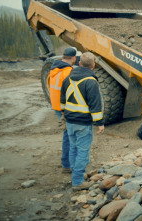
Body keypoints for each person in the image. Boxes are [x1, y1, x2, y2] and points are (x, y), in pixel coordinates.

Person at [60, 52, 104, 190]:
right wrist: (100, 123)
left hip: (70, 121)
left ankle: (76, 175)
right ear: (93, 65)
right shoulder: (91, 81)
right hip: (82, 123)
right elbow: (95, 105)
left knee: (73, 148)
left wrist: (65, 115)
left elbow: (62, 102)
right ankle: (78, 181)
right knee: (83, 152)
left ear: (79, 63)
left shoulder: (68, 79)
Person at [49, 47, 76, 174]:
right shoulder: (68, 72)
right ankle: (67, 164)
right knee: (69, 135)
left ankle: (68, 162)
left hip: (57, 106)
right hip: (65, 108)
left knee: (68, 134)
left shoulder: (54, 70)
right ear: (74, 58)